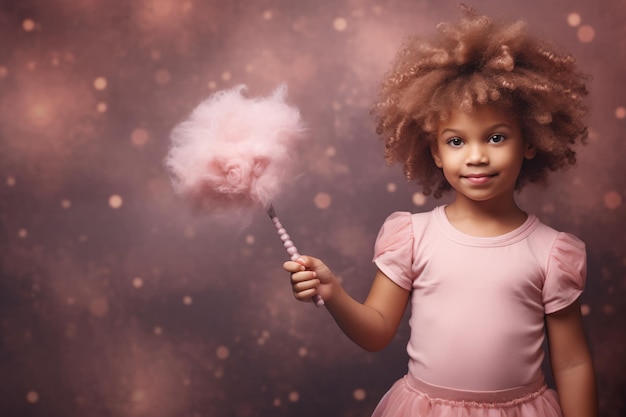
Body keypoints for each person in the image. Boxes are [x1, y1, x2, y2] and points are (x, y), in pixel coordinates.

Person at [283, 5, 598, 417]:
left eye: (497, 137)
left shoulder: (552, 252)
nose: (476, 157)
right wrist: (334, 292)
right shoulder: (413, 236)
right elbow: (377, 331)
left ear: (532, 140)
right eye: (456, 141)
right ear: (433, 149)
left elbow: (573, 362)